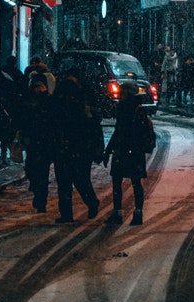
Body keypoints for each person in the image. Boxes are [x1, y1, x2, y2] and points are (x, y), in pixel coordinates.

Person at [103, 81, 156, 226]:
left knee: (118, 181)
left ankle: (118, 212)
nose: (120, 95)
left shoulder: (124, 109)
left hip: (124, 150)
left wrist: (109, 150)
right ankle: (138, 212)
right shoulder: (138, 110)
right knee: (135, 182)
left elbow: (118, 131)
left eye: (122, 92)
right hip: (135, 152)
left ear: (127, 93)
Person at [54, 70, 103, 224]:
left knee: (68, 182)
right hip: (77, 148)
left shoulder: (67, 106)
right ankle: (82, 206)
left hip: (73, 148)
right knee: (76, 181)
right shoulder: (82, 107)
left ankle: (71, 212)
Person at [21, 69, 62, 214]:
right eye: (36, 86)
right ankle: (37, 192)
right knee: (31, 170)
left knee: (42, 173)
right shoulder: (28, 101)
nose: (38, 89)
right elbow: (24, 121)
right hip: (33, 141)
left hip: (45, 142)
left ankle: (41, 200)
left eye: (40, 86)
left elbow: (55, 121)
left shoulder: (49, 102)